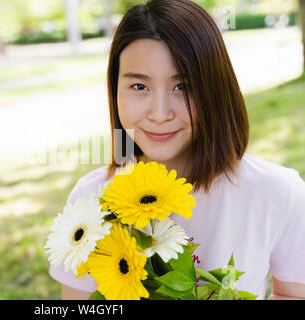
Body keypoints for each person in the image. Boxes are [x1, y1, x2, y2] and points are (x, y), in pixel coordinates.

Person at [48, 0, 305, 300]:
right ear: (114, 89)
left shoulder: (278, 192)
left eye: (183, 86)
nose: (159, 113)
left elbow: (294, 293)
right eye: (139, 87)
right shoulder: (90, 201)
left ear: (215, 89)